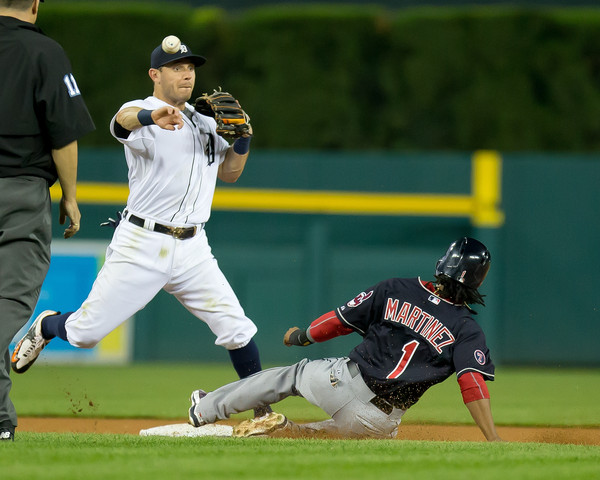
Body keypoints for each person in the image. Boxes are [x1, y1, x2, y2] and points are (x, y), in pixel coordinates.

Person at [11, 37, 273, 419]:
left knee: (237, 328)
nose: (186, 74)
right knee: (85, 334)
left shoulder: (207, 123)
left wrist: (244, 139)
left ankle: (262, 411)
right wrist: (154, 117)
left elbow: (230, 173)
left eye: (190, 67)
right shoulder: (144, 111)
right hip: (142, 243)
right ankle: (48, 325)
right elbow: (122, 121)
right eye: (177, 67)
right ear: (156, 74)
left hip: (193, 248)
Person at [187, 237, 504, 441]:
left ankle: (207, 408)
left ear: (443, 262)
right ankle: (283, 432)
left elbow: (338, 321)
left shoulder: (397, 288)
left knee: (289, 377)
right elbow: (472, 385)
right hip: (378, 420)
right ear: (479, 279)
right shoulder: (467, 329)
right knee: (319, 440)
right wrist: (492, 437)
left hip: (341, 381)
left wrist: (303, 336)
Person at [0, 0, 95, 441]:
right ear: (35, 4)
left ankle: (1, 421)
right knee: (12, 300)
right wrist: (70, 197)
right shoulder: (45, 53)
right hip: (18, 191)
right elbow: (62, 132)